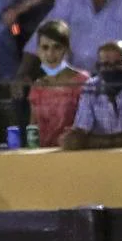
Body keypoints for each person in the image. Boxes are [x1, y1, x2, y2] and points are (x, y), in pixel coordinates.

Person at [62, 38, 122, 148]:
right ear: (98, 67)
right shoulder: (91, 87)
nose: (112, 69)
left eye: (118, 63)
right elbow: (77, 136)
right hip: (101, 161)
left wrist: (91, 141)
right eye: (106, 64)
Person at [27, 18, 89, 147]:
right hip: (42, 157)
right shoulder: (38, 86)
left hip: (75, 153)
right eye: (45, 47)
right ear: (38, 51)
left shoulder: (82, 82)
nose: (50, 53)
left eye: (57, 47)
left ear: (66, 49)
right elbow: (33, 128)